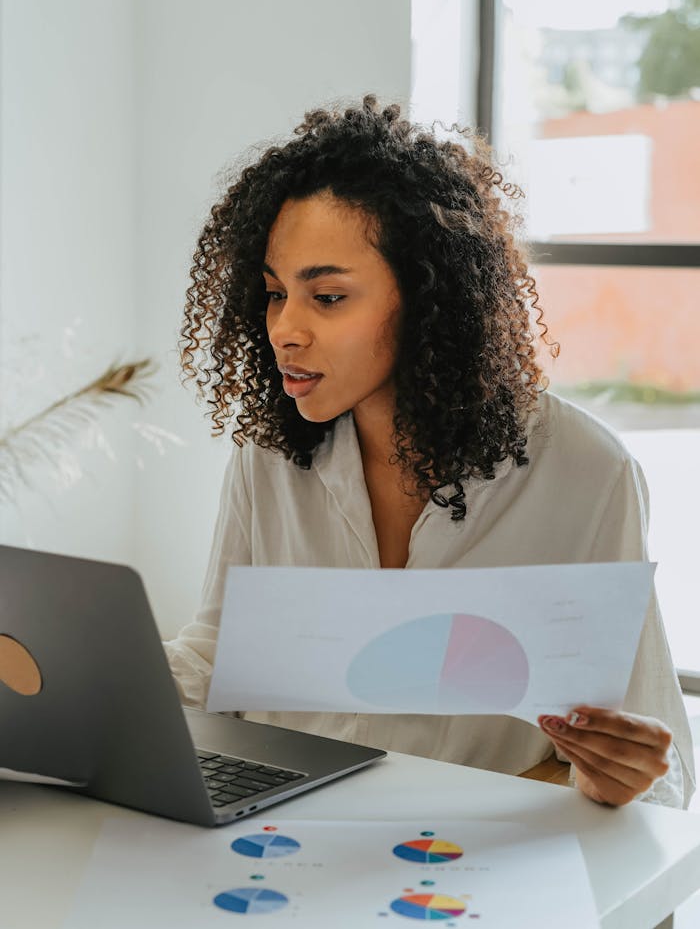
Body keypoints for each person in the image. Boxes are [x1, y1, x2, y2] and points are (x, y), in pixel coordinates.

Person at [166, 94, 694, 809]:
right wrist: (92, 686)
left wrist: (613, 775)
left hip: (455, 862)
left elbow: (654, 759)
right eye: (273, 293)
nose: (284, 329)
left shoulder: (587, 474)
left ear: (425, 296)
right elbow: (221, 651)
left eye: (327, 298)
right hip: (275, 829)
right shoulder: (272, 452)